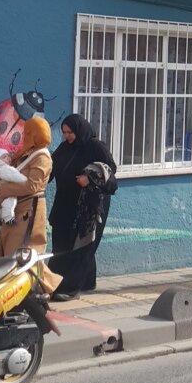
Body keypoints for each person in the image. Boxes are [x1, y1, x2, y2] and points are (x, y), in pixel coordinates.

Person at [49, 114, 117, 301]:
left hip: (89, 205)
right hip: (65, 202)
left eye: (70, 132)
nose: (67, 136)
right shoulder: (64, 148)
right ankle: (86, 281)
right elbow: (50, 168)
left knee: (83, 243)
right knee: (63, 241)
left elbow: (110, 169)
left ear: (79, 130)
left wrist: (89, 178)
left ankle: (70, 287)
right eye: (64, 132)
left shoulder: (95, 146)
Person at [0, 116, 62, 296]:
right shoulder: (28, 152)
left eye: (28, 132)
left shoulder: (43, 157)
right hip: (18, 208)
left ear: (36, 134)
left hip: (29, 210)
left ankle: (38, 293)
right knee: (9, 251)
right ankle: (11, 293)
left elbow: (33, 186)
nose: (24, 136)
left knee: (23, 254)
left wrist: (1, 188)